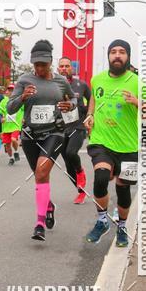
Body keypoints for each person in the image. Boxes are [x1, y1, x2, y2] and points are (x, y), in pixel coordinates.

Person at [7, 40, 74, 240]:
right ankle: (49, 205)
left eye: (43, 64)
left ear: (50, 62)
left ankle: (39, 223)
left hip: (54, 133)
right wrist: (23, 98)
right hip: (29, 134)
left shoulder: (61, 81)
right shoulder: (24, 80)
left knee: (42, 170)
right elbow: (10, 108)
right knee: (39, 175)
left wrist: (69, 106)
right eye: (36, 64)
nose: (39, 68)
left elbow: (74, 100)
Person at [84, 39, 144, 248]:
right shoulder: (97, 79)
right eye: (113, 52)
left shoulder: (138, 82)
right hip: (102, 140)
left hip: (129, 146)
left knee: (123, 189)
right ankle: (102, 221)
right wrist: (90, 115)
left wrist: (138, 102)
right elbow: (93, 98)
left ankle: (122, 226)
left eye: (122, 52)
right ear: (108, 56)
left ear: (128, 56)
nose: (117, 55)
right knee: (101, 178)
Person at [57, 57, 91, 204]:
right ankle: (80, 191)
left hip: (78, 126)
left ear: (72, 68)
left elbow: (92, 100)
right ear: (58, 69)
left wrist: (88, 114)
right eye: (62, 66)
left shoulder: (81, 85)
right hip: (61, 128)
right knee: (67, 161)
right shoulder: (53, 86)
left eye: (67, 66)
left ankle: (80, 171)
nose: (64, 68)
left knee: (72, 153)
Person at [0, 83, 23, 165]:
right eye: (9, 90)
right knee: (7, 145)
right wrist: (0, 119)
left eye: (12, 90)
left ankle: (16, 151)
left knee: (13, 139)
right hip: (6, 127)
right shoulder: (3, 102)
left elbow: (26, 110)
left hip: (16, 125)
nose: (10, 91)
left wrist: (24, 118)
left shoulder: (20, 100)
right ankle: (11, 158)